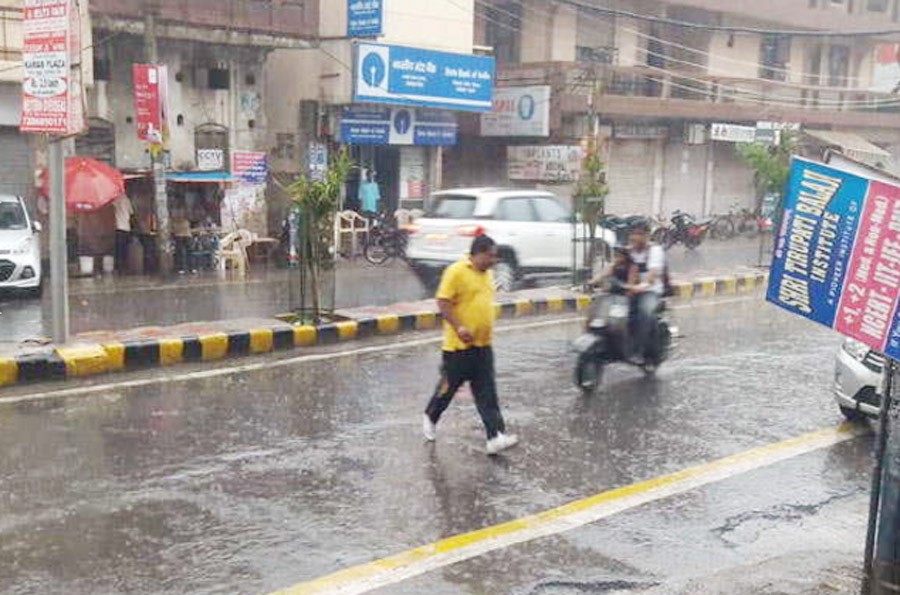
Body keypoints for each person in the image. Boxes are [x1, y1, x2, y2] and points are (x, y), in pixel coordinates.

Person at [423, 235, 519, 456]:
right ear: (478, 253)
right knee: (448, 388)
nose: (494, 260)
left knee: (487, 391)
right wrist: (459, 327)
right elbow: (443, 302)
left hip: (483, 345)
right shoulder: (456, 271)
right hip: (458, 347)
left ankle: (495, 436)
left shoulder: (488, 275)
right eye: (490, 256)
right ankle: (430, 415)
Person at [627, 222, 666, 362]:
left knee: (644, 312)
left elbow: (653, 273)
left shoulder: (655, 251)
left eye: (638, 234)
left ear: (646, 236)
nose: (634, 237)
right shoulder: (630, 251)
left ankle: (639, 350)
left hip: (651, 291)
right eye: (633, 233)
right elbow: (621, 267)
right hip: (633, 290)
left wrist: (642, 286)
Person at [112, 195, 134, 274]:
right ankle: (124, 268)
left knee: (117, 250)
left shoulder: (113, 200)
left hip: (117, 227)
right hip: (126, 228)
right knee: (124, 250)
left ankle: (117, 268)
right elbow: (131, 213)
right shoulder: (126, 199)